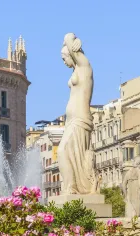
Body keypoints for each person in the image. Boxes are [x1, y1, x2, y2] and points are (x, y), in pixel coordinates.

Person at [57, 33, 97, 195]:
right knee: (70, 154)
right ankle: (72, 186)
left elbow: (67, 36)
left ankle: (72, 187)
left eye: (64, 57)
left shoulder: (85, 67)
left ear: (72, 54)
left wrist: (72, 40)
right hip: (71, 120)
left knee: (62, 150)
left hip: (81, 118)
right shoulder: (76, 70)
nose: (63, 60)